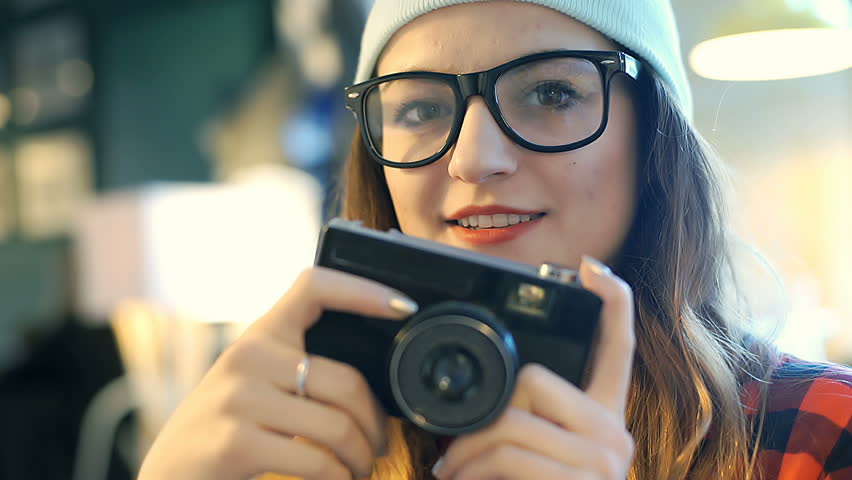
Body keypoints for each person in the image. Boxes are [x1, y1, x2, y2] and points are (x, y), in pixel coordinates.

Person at [137, 0, 852, 479]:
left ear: (653, 137)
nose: (474, 158)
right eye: (419, 107)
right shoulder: (297, 446)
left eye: (549, 94)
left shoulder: (815, 437)